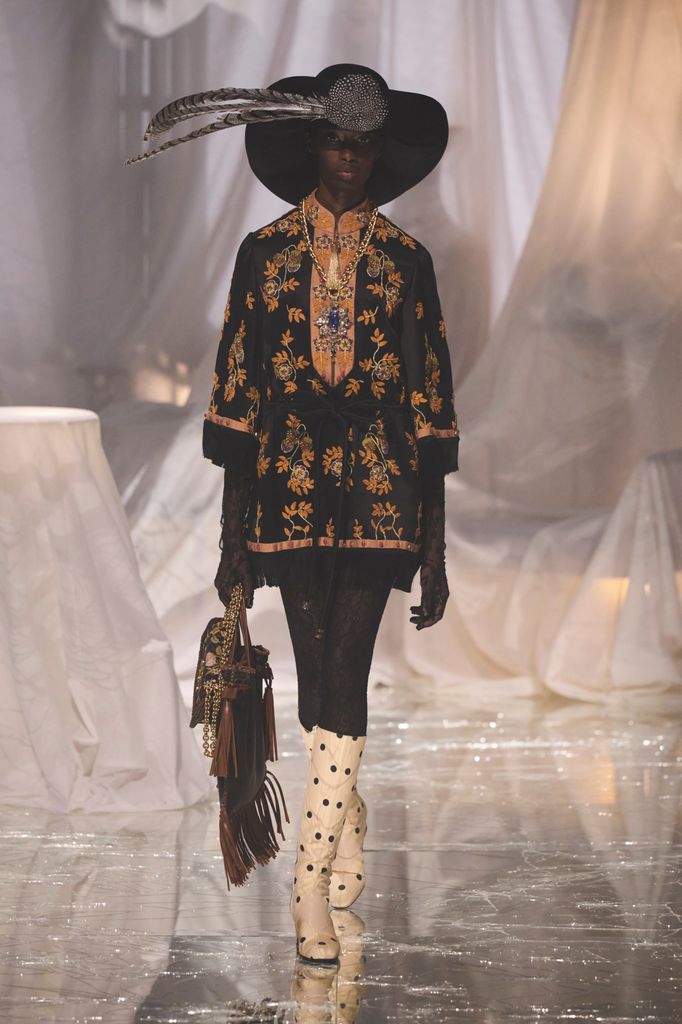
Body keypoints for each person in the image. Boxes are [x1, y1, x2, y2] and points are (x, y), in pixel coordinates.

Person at [127, 64, 459, 966]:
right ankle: (343, 809)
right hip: (289, 490)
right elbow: (238, 402)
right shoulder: (264, 255)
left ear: (378, 154)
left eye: (363, 145)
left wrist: (434, 550)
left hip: (383, 492)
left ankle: (306, 886)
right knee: (316, 681)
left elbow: (431, 406)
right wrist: (231, 542)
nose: (349, 158)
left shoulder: (407, 262)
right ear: (313, 144)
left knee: (347, 673)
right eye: (336, 141)